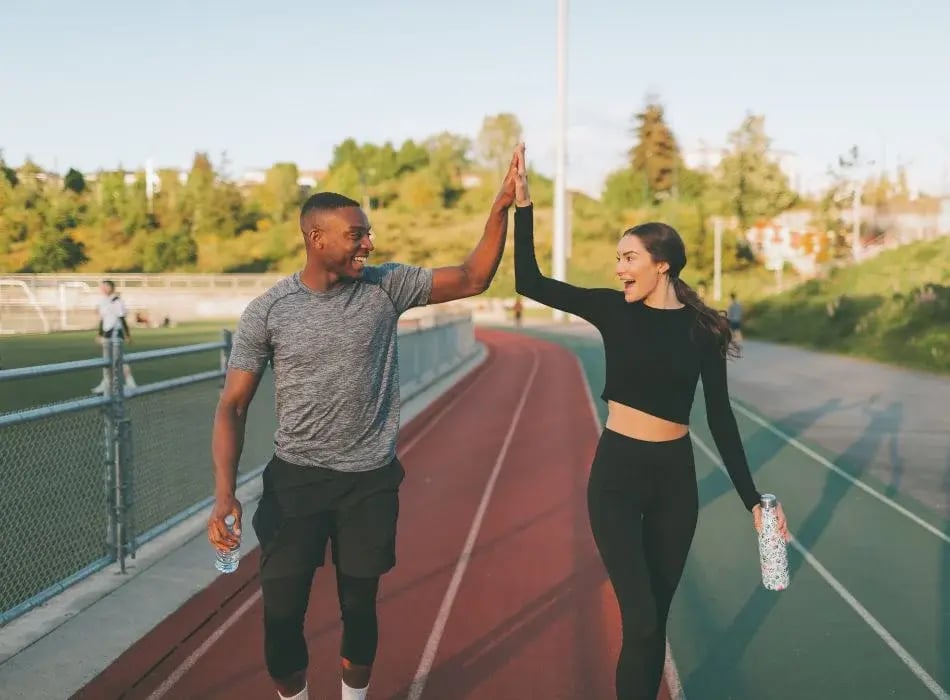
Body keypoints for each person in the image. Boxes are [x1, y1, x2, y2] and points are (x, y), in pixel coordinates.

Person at [207, 144, 524, 700]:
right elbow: (232, 405)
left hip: (369, 482)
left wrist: (499, 207)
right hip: (296, 483)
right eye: (357, 234)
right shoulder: (268, 310)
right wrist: (223, 494)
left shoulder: (386, 286)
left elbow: (474, 277)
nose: (368, 243)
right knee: (280, 619)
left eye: (368, 232)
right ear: (316, 238)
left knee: (360, 608)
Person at [510, 150, 789, 699]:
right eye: (619, 257)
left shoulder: (704, 330)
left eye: (629, 257)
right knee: (639, 617)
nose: (619, 268)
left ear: (662, 263)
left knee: (652, 626)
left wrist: (754, 501)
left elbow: (720, 418)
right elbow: (528, 280)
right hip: (616, 475)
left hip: (674, 483)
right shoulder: (614, 310)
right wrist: (524, 207)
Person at [91, 280, 137, 394]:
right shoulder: (102, 302)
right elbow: (103, 319)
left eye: (105, 286)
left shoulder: (117, 301)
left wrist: (127, 335)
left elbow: (121, 318)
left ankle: (130, 383)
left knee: (119, 359)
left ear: (111, 288)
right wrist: (100, 334)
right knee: (107, 360)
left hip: (116, 333)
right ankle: (107, 384)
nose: (102, 289)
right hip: (107, 334)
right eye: (102, 287)